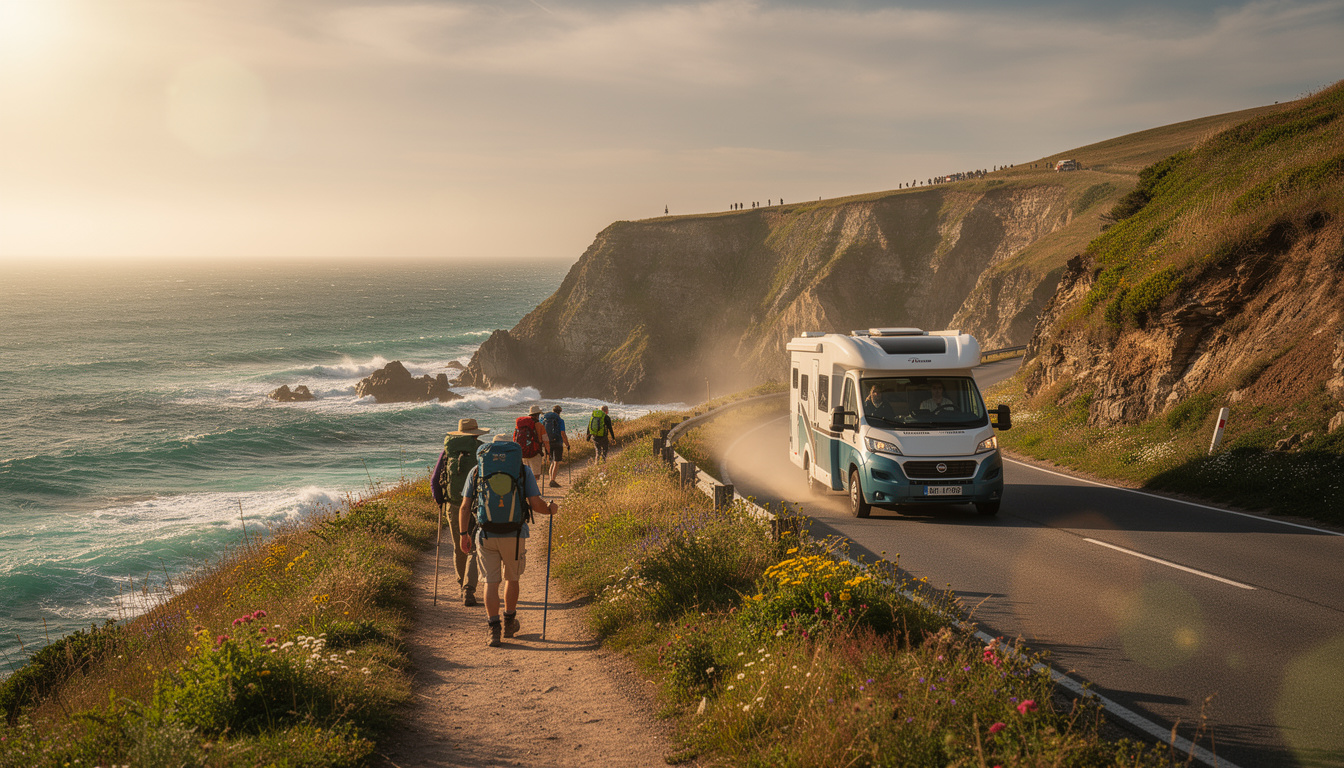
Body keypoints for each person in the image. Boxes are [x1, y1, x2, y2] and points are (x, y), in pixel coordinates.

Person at [458, 435, 560, 647]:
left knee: (490, 581)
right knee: (512, 578)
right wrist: (550, 510)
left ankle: (493, 629)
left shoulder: (477, 470)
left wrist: (463, 535)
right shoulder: (523, 470)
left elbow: (465, 507)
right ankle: (509, 622)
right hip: (514, 534)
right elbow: (535, 504)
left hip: (485, 533)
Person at [431, 417, 490, 606]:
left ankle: (460, 584)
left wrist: (441, 501)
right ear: (476, 433)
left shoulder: (448, 452)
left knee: (459, 546)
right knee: (473, 547)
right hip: (477, 504)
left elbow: (434, 481)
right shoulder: (482, 449)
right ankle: (468, 589)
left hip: (455, 504)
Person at [514, 405, 548, 487]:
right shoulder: (540, 425)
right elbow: (546, 441)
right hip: (535, 452)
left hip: (523, 452)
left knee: (526, 473)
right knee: (536, 474)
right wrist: (548, 452)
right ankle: (532, 492)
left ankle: (526, 490)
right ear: (537, 415)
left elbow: (514, 439)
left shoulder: (520, 425)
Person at [540, 404, 570, 488]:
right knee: (556, 461)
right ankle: (552, 480)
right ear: (560, 412)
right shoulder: (560, 420)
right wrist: (567, 444)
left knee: (551, 461)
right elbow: (562, 433)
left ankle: (551, 479)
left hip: (547, 442)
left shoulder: (544, 419)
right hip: (557, 442)